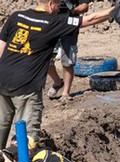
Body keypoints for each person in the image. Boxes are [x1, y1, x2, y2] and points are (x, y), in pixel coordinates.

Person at [0, 0, 114, 149]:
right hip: (26, 87)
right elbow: (90, 19)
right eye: (59, 4)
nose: (60, 7)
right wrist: (117, 9)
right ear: (51, 4)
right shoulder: (54, 22)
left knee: (1, 126)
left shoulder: (16, 16)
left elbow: (1, 49)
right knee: (27, 139)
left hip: (2, 80)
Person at [46, 0, 91, 101]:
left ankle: (66, 93)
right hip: (52, 26)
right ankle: (57, 82)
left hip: (69, 28)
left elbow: (85, 6)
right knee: (47, 60)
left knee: (67, 62)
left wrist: (73, 10)